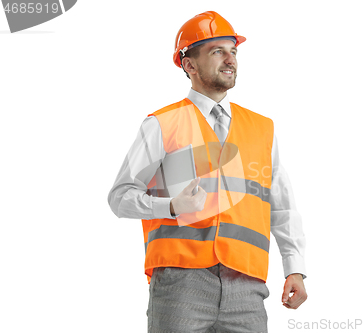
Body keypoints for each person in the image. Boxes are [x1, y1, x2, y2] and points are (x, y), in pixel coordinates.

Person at [108, 11, 307, 333]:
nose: (230, 60)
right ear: (189, 65)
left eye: (234, 52)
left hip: (247, 284)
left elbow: (281, 206)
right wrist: (171, 207)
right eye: (218, 51)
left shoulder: (262, 129)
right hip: (180, 281)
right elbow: (120, 198)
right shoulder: (162, 124)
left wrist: (294, 268)